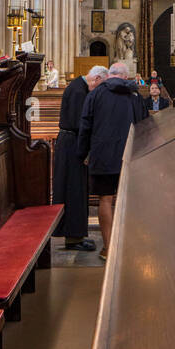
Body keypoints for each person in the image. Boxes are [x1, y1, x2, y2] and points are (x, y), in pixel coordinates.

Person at [77, 60, 147, 260]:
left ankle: (108, 248)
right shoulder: (134, 95)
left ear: (109, 75)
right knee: (128, 201)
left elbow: (86, 125)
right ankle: (128, 247)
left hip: (102, 156)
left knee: (105, 200)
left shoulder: (96, 94)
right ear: (125, 77)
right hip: (129, 155)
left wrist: (82, 153)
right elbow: (143, 126)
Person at [53, 65, 107, 251]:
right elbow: (81, 123)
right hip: (72, 146)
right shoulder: (78, 91)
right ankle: (73, 237)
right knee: (73, 191)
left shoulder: (79, 87)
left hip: (72, 143)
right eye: (100, 86)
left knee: (77, 190)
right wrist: (87, 150)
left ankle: (76, 236)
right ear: (97, 79)